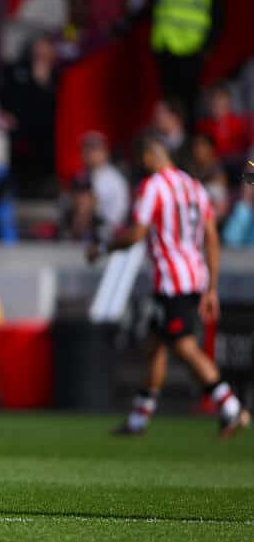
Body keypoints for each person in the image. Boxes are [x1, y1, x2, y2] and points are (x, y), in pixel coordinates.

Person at [86, 134, 249, 438]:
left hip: (171, 280)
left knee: (184, 345)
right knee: (155, 344)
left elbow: (136, 234)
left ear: (149, 157)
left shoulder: (153, 186)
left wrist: (104, 247)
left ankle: (230, 406)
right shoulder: (195, 186)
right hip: (194, 277)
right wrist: (211, 287)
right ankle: (139, 417)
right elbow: (212, 238)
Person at [151, 0, 225, 131]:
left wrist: (207, 46)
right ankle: (172, 141)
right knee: (169, 103)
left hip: (192, 49)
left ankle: (190, 143)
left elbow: (219, 13)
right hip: (165, 48)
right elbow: (156, 7)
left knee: (190, 102)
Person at [2, 35, 59, 199]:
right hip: (19, 130)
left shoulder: (59, 75)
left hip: (47, 132)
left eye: (45, 48)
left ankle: (44, 186)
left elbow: (55, 106)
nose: (40, 53)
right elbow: (8, 97)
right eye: (37, 48)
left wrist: (43, 83)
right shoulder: (17, 70)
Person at [82, 131, 130, 240]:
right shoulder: (82, 176)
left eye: (93, 150)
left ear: (104, 152)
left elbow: (118, 215)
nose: (89, 154)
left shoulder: (114, 179)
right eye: (86, 149)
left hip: (108, 235)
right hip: (83, 236)